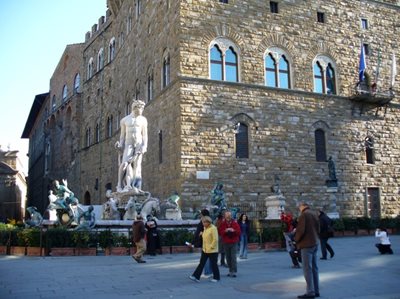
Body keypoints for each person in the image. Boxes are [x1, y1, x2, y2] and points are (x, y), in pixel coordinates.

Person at [115, 100, 148, 192]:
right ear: (135, 108)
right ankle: (119, 185)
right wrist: (120, 144)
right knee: (125, 163)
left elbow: (145, 135)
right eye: (140, 109)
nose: (141, 111)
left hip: (139, 143)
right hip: (128, 144)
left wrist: (144, 146)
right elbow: (122, 136)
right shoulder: (125, 120)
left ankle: (136, 186)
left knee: (137, 165)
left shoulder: (143, 120)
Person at [294, 202, 320, 299]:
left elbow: (301, 230)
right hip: (315, 242)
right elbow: (318, 228)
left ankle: (310, 292)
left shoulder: (304, 215)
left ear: (303, 206)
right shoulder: (314, 213)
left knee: (307, 268)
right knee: (314, 268)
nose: (299, 209)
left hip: (306, 244)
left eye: (299, 207)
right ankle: (316, 290)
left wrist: (296, 239)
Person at [189, 216, 220, 283]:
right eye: (202, 222)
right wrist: (201, 234)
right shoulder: (205, 228)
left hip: (212, 250)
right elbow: (205, 238)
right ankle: (196, 276)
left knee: (213, 264)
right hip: (205, 249)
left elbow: (215, 239)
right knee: (201, 263)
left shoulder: (213, 228)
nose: (203, 224)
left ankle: (216, 277)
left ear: (208, 222)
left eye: (204, 222)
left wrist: (211, 247)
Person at [219, 210, 241, 277]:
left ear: (231, 216)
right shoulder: (223, 223)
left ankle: (233, 271)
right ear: (225, 216)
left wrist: (233, 230)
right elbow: (220, 232)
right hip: (226, 242)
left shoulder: (235, 223)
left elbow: (239, 232)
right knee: (228, 257)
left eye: (229, 215)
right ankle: (230, 270)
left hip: (233, 242)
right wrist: (225, 230)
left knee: (233, 257)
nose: (228, 217)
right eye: (227, 215)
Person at [194, 209, 213, 277]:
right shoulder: (209, 220)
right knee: (208, 257)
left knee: (206, 258)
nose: (200, 215)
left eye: (201, 213)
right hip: (207, 241)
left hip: (205, 241)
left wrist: (201, 234)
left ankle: (207, 272)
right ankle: (209, 271)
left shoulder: (205, 221)